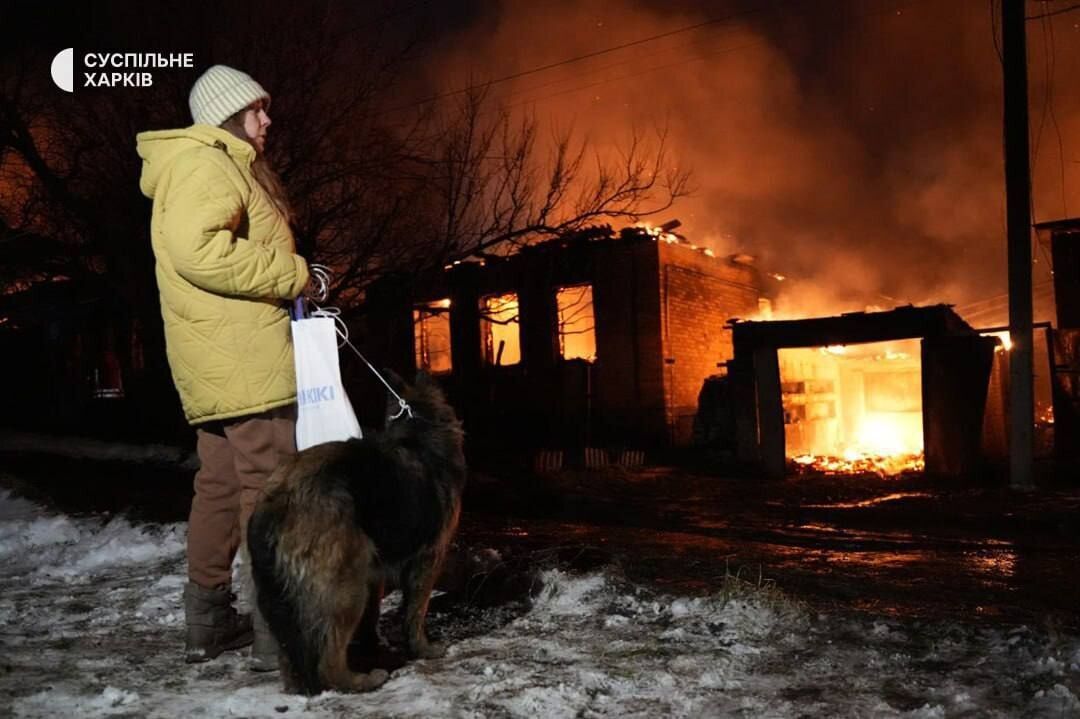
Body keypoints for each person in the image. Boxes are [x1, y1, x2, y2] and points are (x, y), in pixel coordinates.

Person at [135, 64, 311, 670]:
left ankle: (207, 623)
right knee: (269, 491)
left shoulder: (205, 165)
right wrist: (295, 274)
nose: (268, 120)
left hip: (220, 364)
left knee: (219, 489)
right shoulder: (207, 163)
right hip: (246, 364)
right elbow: (197, 249)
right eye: (257, 109)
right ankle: (276, 632)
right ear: (228, 115)